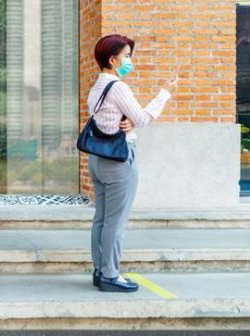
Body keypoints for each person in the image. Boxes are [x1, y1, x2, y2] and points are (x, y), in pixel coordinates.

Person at [88, 34, 178, 292]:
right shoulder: (117, 87)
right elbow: (142, 117)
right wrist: (165, 93)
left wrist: (130, 119)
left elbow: (109, 120)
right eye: (126, 56)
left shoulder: (97, 88)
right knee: (115, 222)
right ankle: (111, 275)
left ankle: (100, 270)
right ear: (112, 59)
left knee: (102, 219)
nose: (130, 61)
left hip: (98, 159)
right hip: (119, 160)